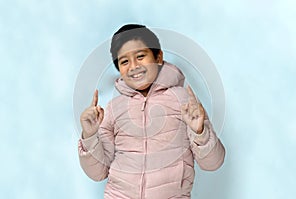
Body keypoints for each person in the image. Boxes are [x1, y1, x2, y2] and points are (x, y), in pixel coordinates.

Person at [78, 24, 225, 199]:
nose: (133, 66)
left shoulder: (184, 102)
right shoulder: (113, 108)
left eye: (140, 56)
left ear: (158, 57)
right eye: (124, 61)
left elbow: (212, 163)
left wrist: (199, 132)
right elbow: (98, 173)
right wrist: (89, 135)